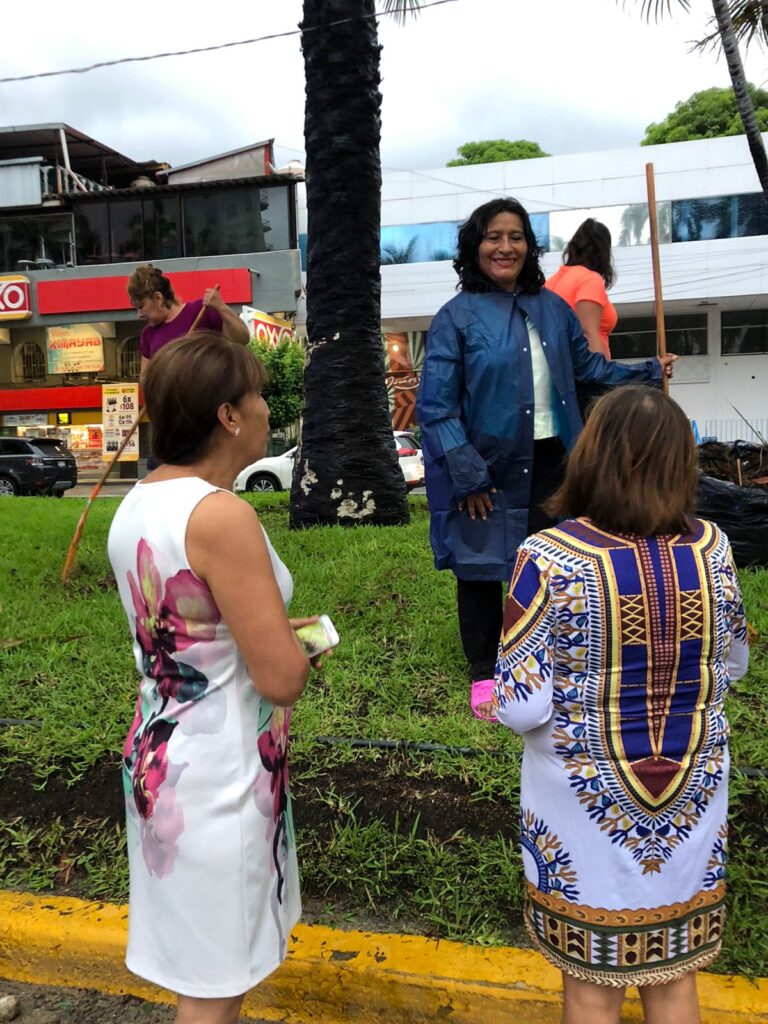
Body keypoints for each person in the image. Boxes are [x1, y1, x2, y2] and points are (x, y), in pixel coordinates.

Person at [493, 386, 749, 1024]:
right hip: (692, 801)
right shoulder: (712, 546)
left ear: (591, 457)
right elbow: (736, 663)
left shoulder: (546, 557)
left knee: (590, 989)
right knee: (673, 979)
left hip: (583, 813)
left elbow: (522, 706)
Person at [107, 332, 322, 1024]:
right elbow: (280, 679)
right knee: (214, 986)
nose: (265, 409)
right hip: (220, 775)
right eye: (258, 396)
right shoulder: (221, 515)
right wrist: (302, 651)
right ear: (229, 415)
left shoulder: (138, 502)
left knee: (202, 970)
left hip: (163, 757)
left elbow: (189, 633)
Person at [415, 197, 676, 722]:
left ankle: (549, 658)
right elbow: (436, 406)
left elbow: (589, 371)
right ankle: (485, 676)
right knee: (482, 568)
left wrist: (649, 369)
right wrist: (467, 473)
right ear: (475, 245)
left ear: (529, 246)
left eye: (515, 236)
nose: (504, 246)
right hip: (486, 467)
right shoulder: (455, 318)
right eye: (493, 236)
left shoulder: (553, 310)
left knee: (554, 562)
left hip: (556, 459)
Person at [127, 264, 250, 388]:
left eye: (141, 306)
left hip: (212, 398)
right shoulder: (148, 334)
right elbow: (145, 379)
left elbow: (242, 338)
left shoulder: (201, 310)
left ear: (158, 298)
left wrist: (221, 307)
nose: (139, 314)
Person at [546, 218, 617, 357]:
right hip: (585, 371)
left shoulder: (549, 284)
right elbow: (588, 333)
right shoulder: (590, 279)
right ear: (603, 252)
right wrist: (604, 375)